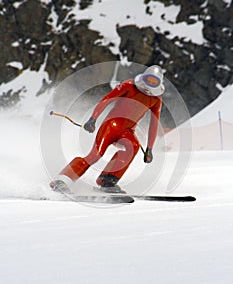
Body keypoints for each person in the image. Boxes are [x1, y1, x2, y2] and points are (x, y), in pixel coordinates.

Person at [50, 65, 165, 193]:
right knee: (95, 155)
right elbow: (107, 99)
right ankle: (62, 180)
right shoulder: (129, 85)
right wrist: (93, 119)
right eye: (149, 79)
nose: (150, 84)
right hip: (111, 125)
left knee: (133, 146)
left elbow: (154, 124)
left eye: (154, 82)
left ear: (159, 84)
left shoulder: (156, 99)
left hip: (127, 131)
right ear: (143, 77)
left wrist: (149, 148)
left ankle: (108, 180)